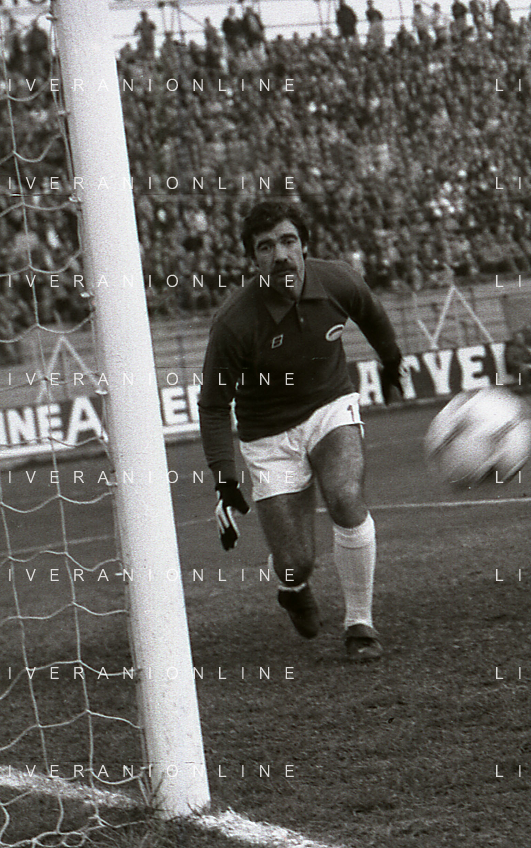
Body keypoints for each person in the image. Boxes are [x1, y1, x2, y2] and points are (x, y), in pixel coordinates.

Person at [198, 201, 403, 662]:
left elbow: (371, 314)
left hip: (330, 406)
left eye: (288, 241)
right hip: (267, 436)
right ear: (254, 260)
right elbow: (212, 405)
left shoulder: (337, 280)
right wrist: (225, 480)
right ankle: (292, 587)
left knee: (346, 497)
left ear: (304, 245)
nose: (280, 254)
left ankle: (360, 624)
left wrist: (391, 361)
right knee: (295, 563)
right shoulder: (234, 323)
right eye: (265, 247)